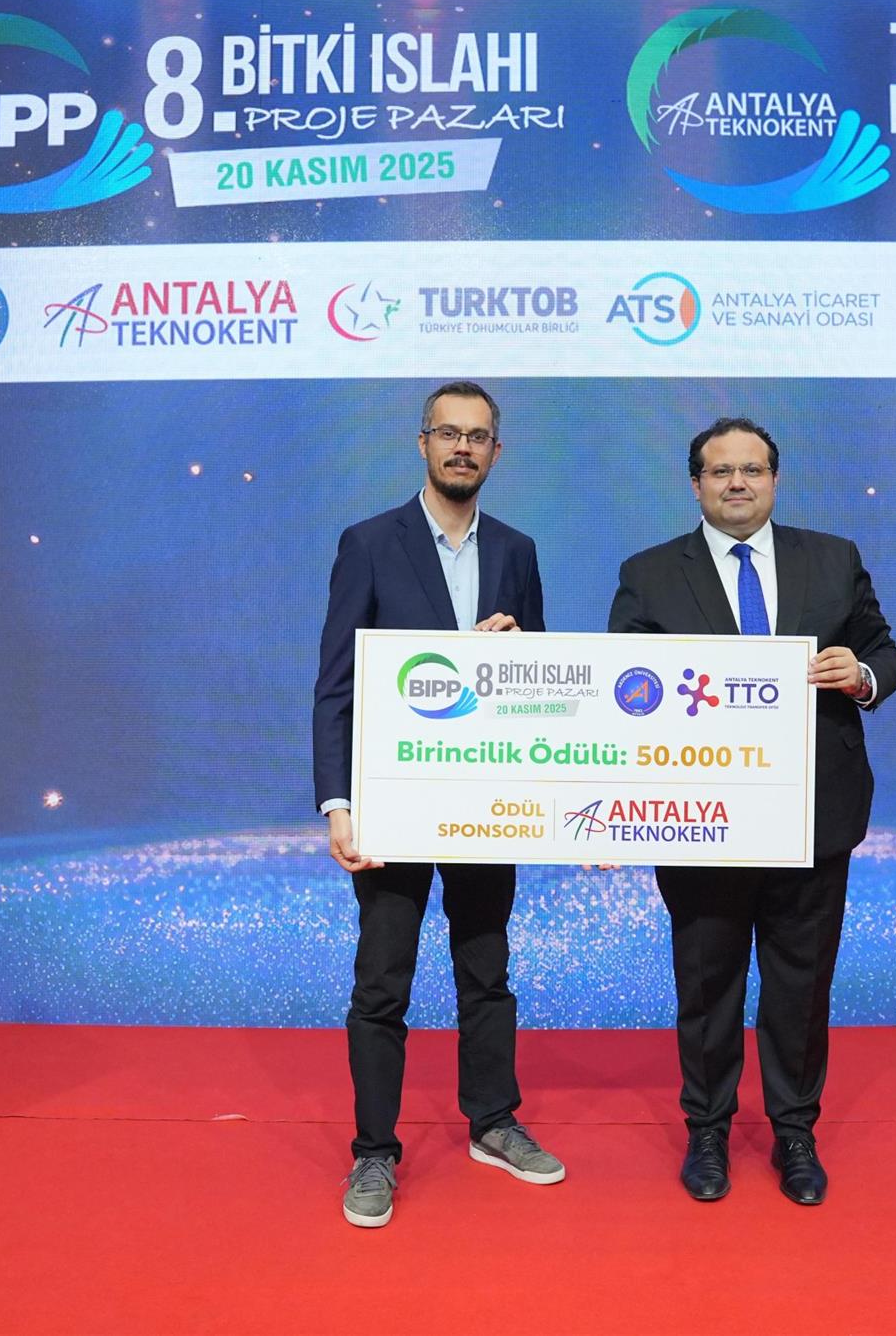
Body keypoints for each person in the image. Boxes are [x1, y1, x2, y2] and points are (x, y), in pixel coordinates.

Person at [607, 416, 896, 1206]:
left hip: (814, 814)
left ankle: (794, 1132)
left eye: (752, 469)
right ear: (696, 484)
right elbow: (620, 693)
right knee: (708, 982)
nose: (737, 482)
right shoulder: (648, 573)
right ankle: (707, 1130)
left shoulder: (833, 559)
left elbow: (885, 652)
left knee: (800, 983)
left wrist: (861, 673)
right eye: (720, 471)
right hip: (700, 816)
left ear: (774, 480)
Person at [312, 380, 564, 1229]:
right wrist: (339, 802)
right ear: (422, 443)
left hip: (486, 801)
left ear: (497, 451)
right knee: (382, 980)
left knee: (486, 971)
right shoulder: (368, 543)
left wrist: (523, 650)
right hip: (392, 802)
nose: (463, 447)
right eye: (448, 433)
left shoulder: (518, 550)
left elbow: (540, 686)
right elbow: (337, 685)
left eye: (478, 435)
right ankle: (374, 1151)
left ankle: (493, 1121)